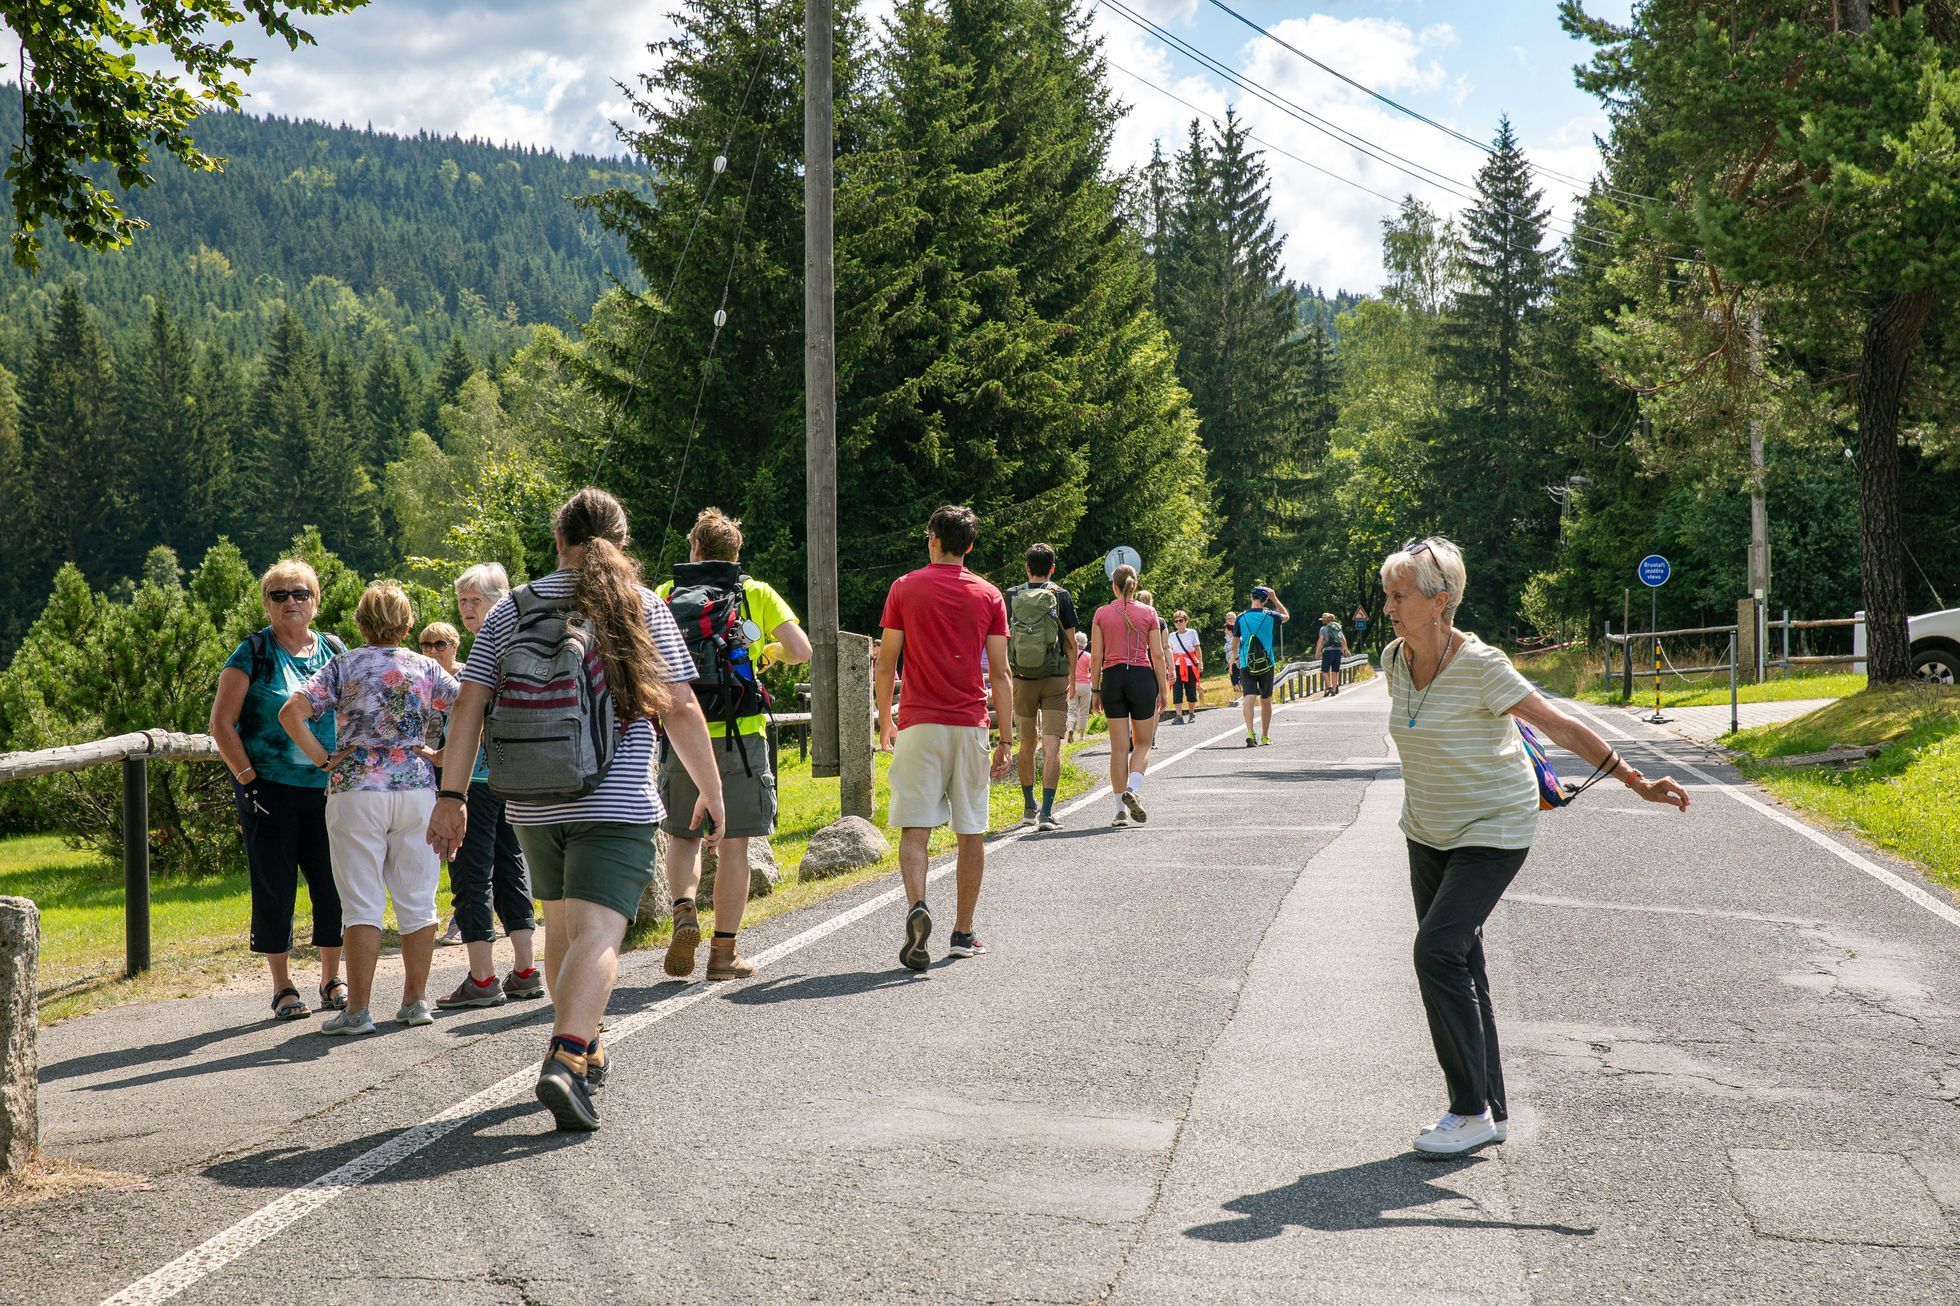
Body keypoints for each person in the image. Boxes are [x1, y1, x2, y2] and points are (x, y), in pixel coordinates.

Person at [429, 487, 726, 1133]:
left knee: (561, 927)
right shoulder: (638, 604)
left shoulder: (511, 609)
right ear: (621, 542)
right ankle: (565, 1056)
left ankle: (585, 1047)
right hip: (614, 801)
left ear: (556, 541)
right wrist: (711, 789)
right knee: (599, 934)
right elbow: (680, 707)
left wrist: (451, 797)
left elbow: (468, 704)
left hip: (531, 800)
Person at [1380, 536, 1689, 1157]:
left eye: (1399, 595)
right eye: (1386, 593)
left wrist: (1636, 782)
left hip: (1493, 827)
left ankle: (1465, 1109)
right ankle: (1489, 1108)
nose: (1387, 607)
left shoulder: (1482, 665)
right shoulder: (1394, 658)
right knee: (1462, 961)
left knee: (1436, 952)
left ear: (1440, 602)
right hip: (1427, 829)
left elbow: (1560, 725)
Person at [281, 581, 459, 1036]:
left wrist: (323, 758)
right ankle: (415, 1001)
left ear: (360, 623)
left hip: (355, 788)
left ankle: (358, 1010)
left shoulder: (342, 666)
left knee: (361, 903)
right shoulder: (427, 668)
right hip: (416, 787)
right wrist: (441, 754)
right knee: (418, 901)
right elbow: (469, 707)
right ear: (407, 625)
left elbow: (291, 713)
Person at [656, 508, 812, 981]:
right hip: (742, 737)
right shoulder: (756, 593)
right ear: (736, 555)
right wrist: (768, 650)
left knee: (682, 836)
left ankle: (684, 911)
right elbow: (801, 649)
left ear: (695, 549)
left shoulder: (666, 594)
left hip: (684, 736)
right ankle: (724, 956)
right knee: (735, 845)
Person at [875, 504, 1011, 970]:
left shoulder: (904, 588)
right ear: (969, 546)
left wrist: (883, 718)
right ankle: (963, 933)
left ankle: (917, 905)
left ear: (933, 538)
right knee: (970, 830)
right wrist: (1007, 736)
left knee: (915, 830)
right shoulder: (989, 595)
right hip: (970, 723)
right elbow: (1002, 671)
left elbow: (887, 660)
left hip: (917, 723)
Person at [209, 560, 347, 1021]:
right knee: (275, 885)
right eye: (279, 595)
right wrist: (247, 779)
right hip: (268, 788)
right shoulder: (252, 653)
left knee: (332, 885)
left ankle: (332, 978)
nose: (291, 602)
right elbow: (221, 723)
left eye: (300, 593)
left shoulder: (333, 648)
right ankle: (283, 986)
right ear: (266, 603)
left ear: (315, 600)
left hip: (329, 789)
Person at [433, 563, 543, 1008]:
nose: (466, 609)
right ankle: (525, 970)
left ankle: (482, 978)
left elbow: (470, 719)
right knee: (511, 866)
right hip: (512, 777)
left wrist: (448, 778)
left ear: (500, 600)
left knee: (470, 873)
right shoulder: (523, 645)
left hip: (475, 781)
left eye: (475, 600)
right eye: (461, 601)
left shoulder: (486, 650)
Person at [1003, 543, 1079, 831]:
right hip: (1054, 679)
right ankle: (1046, 813)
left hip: (1022, 679)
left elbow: (1002, 638)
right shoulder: (1060, 595)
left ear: (1026, 567)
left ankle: (1027, 807)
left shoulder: (1012, 595)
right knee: (1051, 746)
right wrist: (1071, 678)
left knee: (1026, 743)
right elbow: (1070, 642)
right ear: (1052, 568)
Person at [1088, 565, 1170, 827]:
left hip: (1112, 679)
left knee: (1118, 748)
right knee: (1143, 742)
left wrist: (1095, 690)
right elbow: (1157, 654)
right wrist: (1164, 688)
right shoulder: (1149, 613)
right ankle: (1133, 790)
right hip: (1141, 677)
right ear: (1135, 585)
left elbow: (1097, 657)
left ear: (1113, 585)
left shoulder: (1101, 614)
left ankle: (1119, 812)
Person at [1236, 585, 1289, 746]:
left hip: (1246, 663)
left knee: (1248, 699)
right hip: (1267, 663)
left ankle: (1250, 732)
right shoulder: (1270, 616)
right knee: (1265, 700)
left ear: (1251, 597)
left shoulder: (1241, 617)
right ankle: (1265, 736)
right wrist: (1275, 598)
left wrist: (1235, 659)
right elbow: (1286, 616)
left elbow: (1234, 643)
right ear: (1265, 600)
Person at [1168, 610, 1203, 725]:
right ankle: (1179, 715)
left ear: (1186, 621)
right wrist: (1168, 666)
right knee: (1177, 690)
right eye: (1176, 621)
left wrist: (1200, 662)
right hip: (1176, 665)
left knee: (1191, 689)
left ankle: (1192, 713)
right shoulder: (1172, 636)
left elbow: (1197, 649)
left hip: (1189, 664)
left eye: (1181, 620)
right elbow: (1169, 651)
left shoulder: (1192, 633)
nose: (1179, 623)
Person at [1313, 611, 1347, 698]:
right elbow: (1343, 639)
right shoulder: (1338, 627)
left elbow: (1320, 641)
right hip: (1337, 651)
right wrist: (1343, 650)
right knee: (1335, 671)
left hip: (1328, 651)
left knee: (1324, 670)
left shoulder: (1323, 629)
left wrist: (1317, 652)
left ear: (1324, 620)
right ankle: (1335, 690)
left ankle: (1329, 687)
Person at [1066, 631, 1092, 743]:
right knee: (1084, 712)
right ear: (1084, 643)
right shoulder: (1088, 656)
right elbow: (1094, 670)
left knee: (1072, 710)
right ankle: (1081, 736)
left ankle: (1071, 728)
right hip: (1085, 685)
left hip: (1072, 684)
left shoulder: (1069, 655)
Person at [1223, 610, 1241, 705]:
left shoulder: (1238, 631)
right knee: (1235, 681)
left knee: (1238, 681)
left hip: (1237, 661)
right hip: (1232, 661)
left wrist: (1230, 664)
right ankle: (1237, 698)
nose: (1229, 620)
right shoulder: (1228, 633)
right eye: (1227, 618)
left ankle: (1239, 699)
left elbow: (1235, 650)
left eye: (1231, 618)